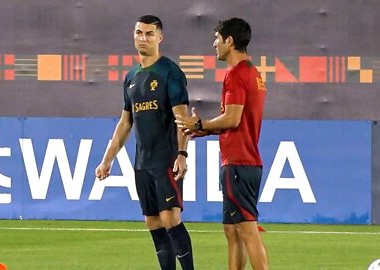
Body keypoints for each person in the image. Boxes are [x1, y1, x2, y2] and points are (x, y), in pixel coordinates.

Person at [95, 15, 194, 270]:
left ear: (160, 38)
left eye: (149, 34)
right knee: (153, 222)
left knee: (171, 218)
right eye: (139, 33)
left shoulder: (170, 72)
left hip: (166, 159)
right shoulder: (131, 78)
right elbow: (125, 123)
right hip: (142, 162)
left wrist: (182, 153)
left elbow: (182, 118)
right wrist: (107, 160)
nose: (143, 38)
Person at [175, 18, 269, 270]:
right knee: (232, 230)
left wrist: (199, 125)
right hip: (243, 160)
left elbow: (232, 117)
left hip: (239, 163)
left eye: (217, 38)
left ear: (229, 41)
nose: (214, 44)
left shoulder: (236, 74)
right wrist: (205, 130)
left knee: (247, 230)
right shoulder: (253, 73)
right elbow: (237, 122)